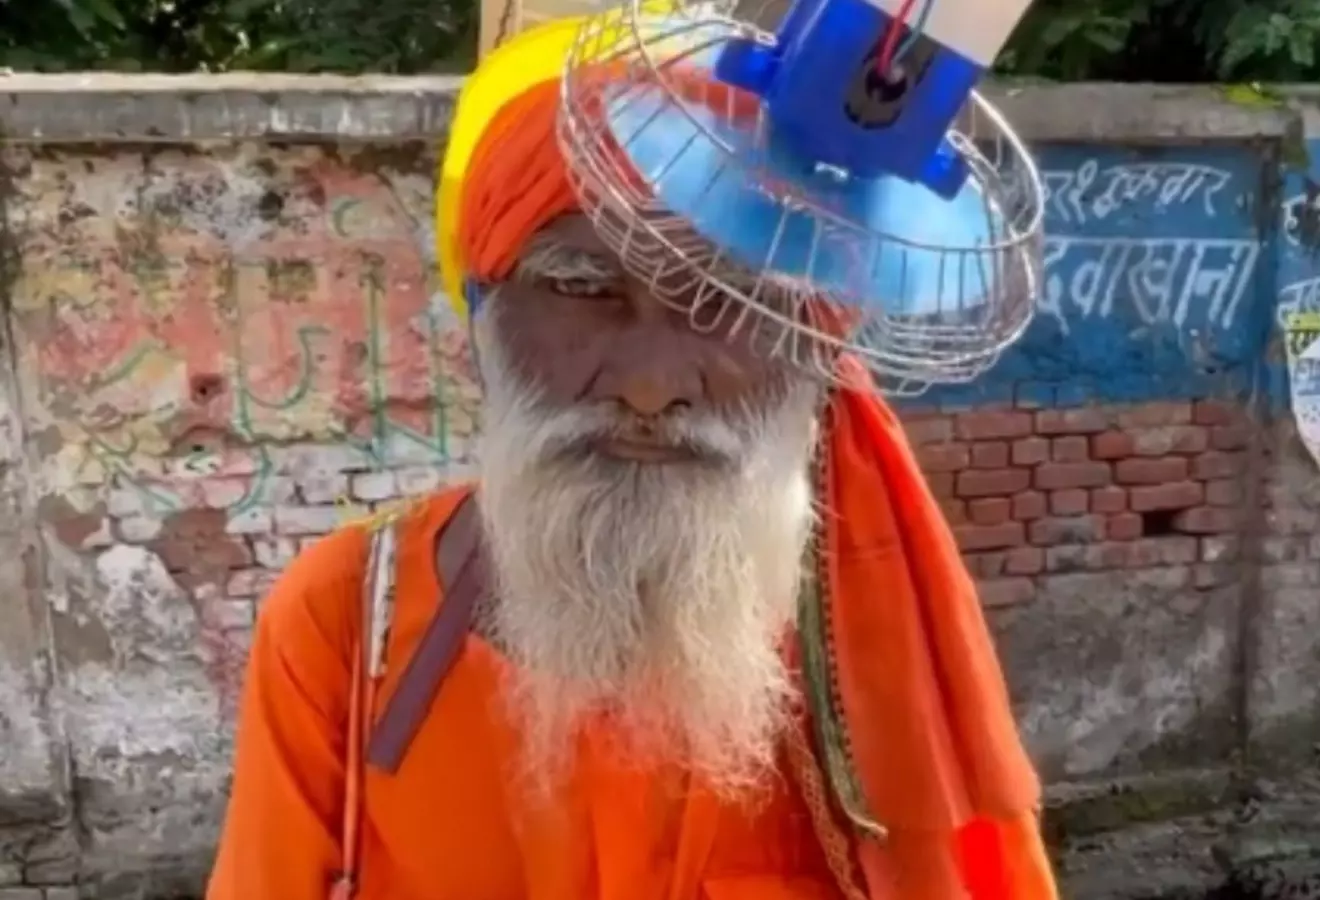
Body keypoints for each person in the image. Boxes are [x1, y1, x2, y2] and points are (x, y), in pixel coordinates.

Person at [206, 17, 1058, 900]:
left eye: (729, 301)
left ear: (812, 350)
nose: (651, 386)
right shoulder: (346, 622)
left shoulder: (872, 647)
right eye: (581, 287)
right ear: (483, 321)